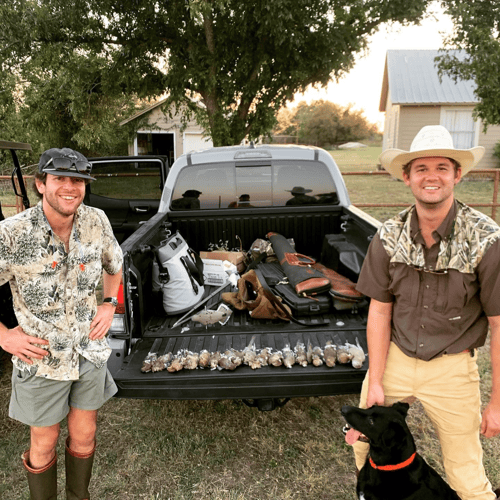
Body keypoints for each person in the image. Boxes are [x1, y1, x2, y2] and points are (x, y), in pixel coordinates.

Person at [349, 125, 500, 500]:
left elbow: (499, 324)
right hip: (397, 356)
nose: (431, 176)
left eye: (442, 168)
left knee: (465, 473)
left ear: (456, 175)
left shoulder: (486, 239)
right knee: (363, 446)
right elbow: (380, 312)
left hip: (451, 367)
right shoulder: (388, 235)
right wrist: (378, 377)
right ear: (407, 176)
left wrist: (497, 401)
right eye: (421, 168)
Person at [0, 148, 123, 500]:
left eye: (78, 180)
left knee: (84, 432)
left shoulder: (95, 220)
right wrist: (5, 336)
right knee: (44, 439)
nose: (70, 187)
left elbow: (114, 264)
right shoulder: (11, 234)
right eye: (60, 179)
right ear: (41, 184)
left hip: (88, 347)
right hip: (42, 357)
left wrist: (108, 303)